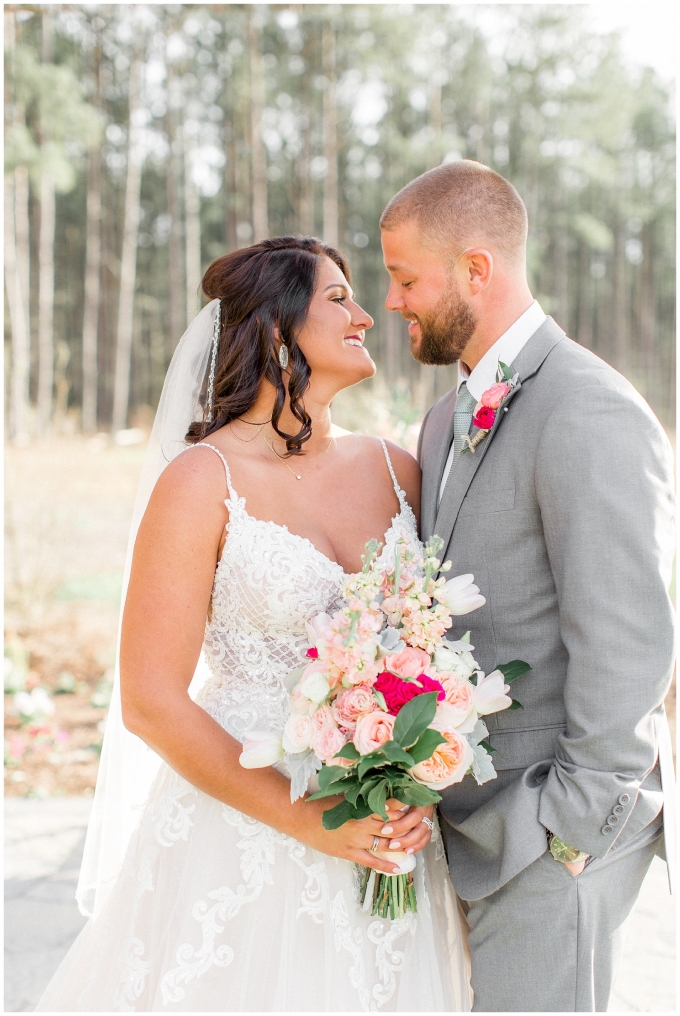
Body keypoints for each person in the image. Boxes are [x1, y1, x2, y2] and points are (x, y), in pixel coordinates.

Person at [36, 236, 470, 1012]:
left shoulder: (397, 470)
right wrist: (307, 820)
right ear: (276, 330)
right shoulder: (203, 482)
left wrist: (422, 775)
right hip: (248, 833)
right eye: (339, 298)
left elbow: (433, 655)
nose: (367, 315)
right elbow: (151, 702)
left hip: (389, 834)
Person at [380, 160, 676, 1012]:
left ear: (478, 269)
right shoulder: (444, 418)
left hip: (551, 840)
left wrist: (570, 833)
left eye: (406, 279)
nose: (392, 301)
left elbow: (627, 644)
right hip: (466, 830)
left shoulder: (589, 409)